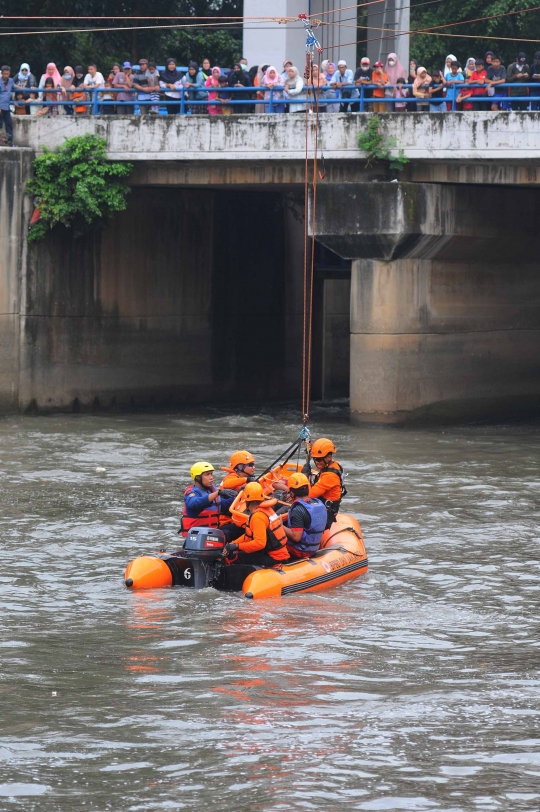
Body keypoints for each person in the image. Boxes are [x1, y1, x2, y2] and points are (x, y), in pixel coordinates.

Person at [223, 482, 289, 566]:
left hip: (274, 557)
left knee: (236, 557)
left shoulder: (258, 517)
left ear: (246, 500)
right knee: (238, 552)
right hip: (279, 552)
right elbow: (248, 536)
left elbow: (260, 544)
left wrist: (237, 546)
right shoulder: (267, 509)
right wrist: (232, 544)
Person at [181, 461, 236, 536]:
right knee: (227, 533)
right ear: (197, 477)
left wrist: (237, 494)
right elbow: (195, 504)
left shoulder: (211, 491)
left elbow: (223, 505)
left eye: (211, 474)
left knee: (237, 528)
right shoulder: (191, 493)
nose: (211, 477)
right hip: (196, 536)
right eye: (207, 474)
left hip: (211, 533)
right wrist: (218, 493)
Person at [282, 473, 327, 559]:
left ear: (292, 492)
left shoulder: (298, 510)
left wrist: (280, 526)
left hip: (299, 551)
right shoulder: (318, 503)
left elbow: (296, 537)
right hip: (313, 548)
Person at [306, 438, 346, 529]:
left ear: (328, 457)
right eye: (315, 459)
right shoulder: (334, 465)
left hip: (325, 514)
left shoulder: (329, 476)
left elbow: (310, 494)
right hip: (323, 508)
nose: (317, 462)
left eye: (319, 459)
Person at [0, 66, 15, 146]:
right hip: (0, 106)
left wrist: (28, 88)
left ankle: (10, 141)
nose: (6, 75)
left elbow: (15, 86)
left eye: (7, 74)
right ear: (1, 73)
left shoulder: (11, 81)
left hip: (6, 107)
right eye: (4, 74)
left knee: (8, 124)